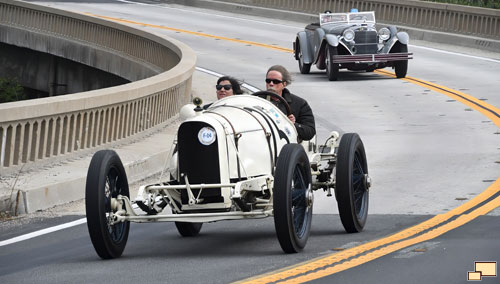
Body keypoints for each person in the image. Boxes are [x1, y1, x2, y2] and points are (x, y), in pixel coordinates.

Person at [265, 65, 316, 141]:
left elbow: (310, 132)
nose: (271, 84)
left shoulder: (300, 103)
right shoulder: (256, 100)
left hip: (287, 146)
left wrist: (292, 125)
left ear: (284, 84)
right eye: (268, 81)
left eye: (276, 81)